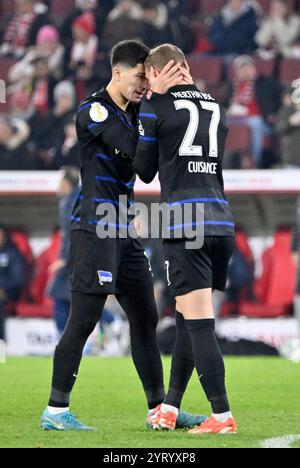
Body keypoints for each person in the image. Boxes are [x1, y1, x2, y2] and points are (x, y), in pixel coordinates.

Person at [40, 40, 205, 432]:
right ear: (118, 71)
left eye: (148, 79)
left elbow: (148, 170)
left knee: (145, 316)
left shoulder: (135, 112)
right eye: (139, 77)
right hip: (94, 226)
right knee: (84, 319)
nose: (144, 86)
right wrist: (156, 105)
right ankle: (55, 410)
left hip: (124, 227)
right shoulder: (94, 110)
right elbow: (135, 149)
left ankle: (159, 409)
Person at [133, 44, 237, 435]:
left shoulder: (156, 106)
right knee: (186, 316)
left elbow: (144, 171)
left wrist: (151, 105)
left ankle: (222, 416)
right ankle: (170, 407)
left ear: (158, 73)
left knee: (199, 325)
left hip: (185, 223)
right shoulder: (214, 105)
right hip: (221, 223)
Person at [47, 168, 81, 336]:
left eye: (60, 182)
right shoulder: (77, 198)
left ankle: (64, 337)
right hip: (79, 257)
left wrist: (63, 258)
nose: (58, 186)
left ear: (67, 183)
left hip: (74, 259)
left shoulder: (71, 201)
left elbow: (71, 233)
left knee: (62, 297)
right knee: (73, 299)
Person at [0, 225, 26, 343]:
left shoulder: (13, 253)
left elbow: (18, 279)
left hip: (9, 293)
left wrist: (3, 289)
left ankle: (1, 346)